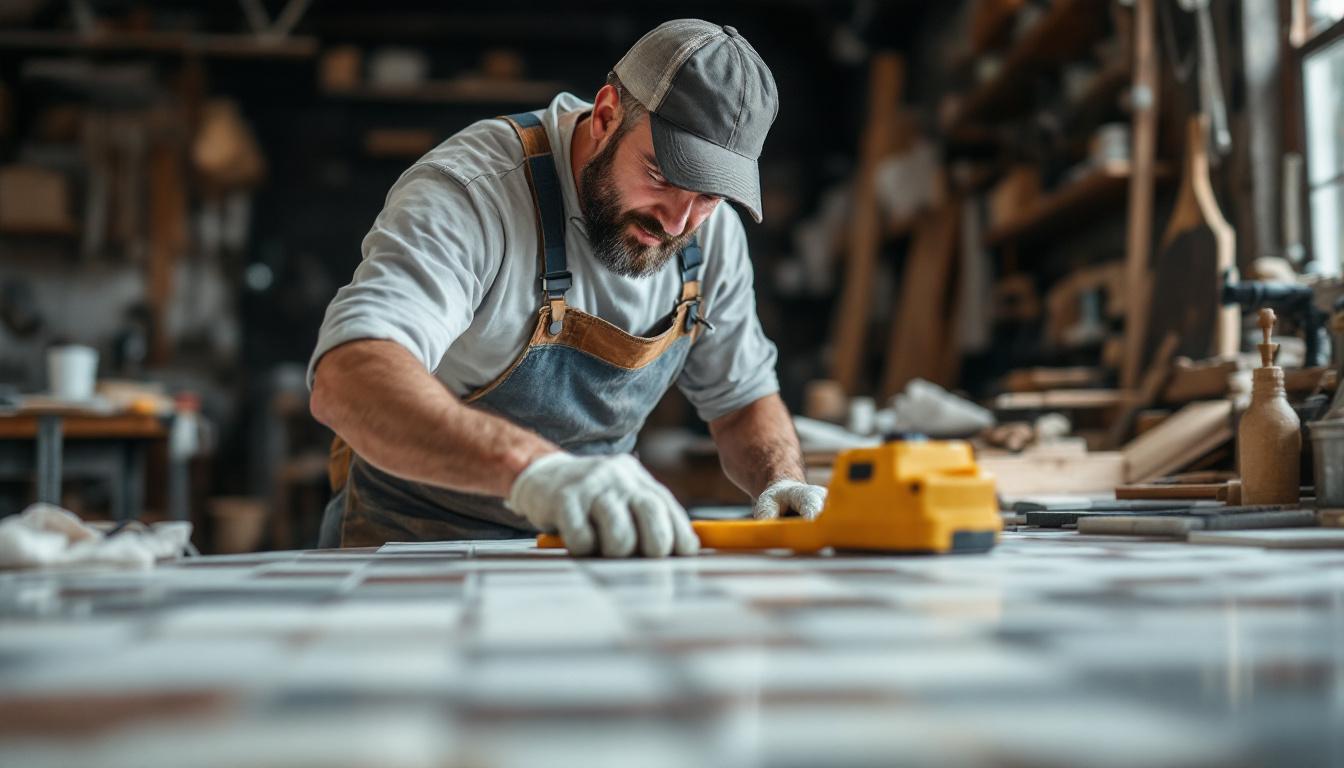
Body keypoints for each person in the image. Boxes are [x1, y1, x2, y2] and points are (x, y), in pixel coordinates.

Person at [309, 19, 827, 557]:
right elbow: (349, 377)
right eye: (661, 176)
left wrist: (781, 481)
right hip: (410, 543)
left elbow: (741, 403)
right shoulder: (475, 194)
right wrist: (534, 470)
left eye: (709, 196)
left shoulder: (709, 235)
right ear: (605, 116)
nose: (677, 222)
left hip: (575, 546)